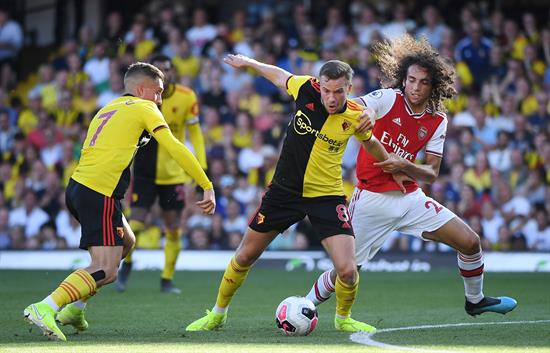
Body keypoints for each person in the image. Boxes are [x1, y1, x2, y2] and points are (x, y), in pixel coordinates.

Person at [185, 54, 404, 333]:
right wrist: (250, 63)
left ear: (349, 90)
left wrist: (391, 167)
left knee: (348, 270)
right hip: (284, 192)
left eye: (338, 91)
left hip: (327, 196)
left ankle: (343, 318)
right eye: (326, 90)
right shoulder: (305, 88)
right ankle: (217, 314)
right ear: (320, 85)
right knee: (243, 257)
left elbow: (371, 144)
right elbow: (278, 75)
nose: (331, 97)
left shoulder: (355, 116)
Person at [305, 35, 517, 317]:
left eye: (423, 82)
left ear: (434, 86)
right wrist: (366, 113)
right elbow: (364, 106)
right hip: (371, 200)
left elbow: (431, 172)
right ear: (403, 79)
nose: (416, 87)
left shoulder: (437, 119)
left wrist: (404, 165)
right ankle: (305, 305)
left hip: (410, 199)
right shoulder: (388, 98)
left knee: (470, 242)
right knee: (346, 270)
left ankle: (475, 300)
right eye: (412, 80)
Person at [23, 62, 216, 341]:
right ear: (141, 90)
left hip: (80, 188)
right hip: (98, 193)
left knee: (126, 242)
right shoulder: (144, 107)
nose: (160, 99)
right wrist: (206, 184)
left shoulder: (109, 107)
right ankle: (46, 307)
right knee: (106, 269)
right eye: (158, 92)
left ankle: (76, 309)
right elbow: (174, 145)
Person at [116, 54, 208, 294]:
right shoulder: (143, 100)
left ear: (173, 71)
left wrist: (202, 166)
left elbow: (195, 133)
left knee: (173, 227)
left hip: (174, 174)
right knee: (135, 222)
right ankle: (126, 264)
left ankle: (167, 278)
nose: (164, 75)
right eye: (159, 71)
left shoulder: (187, 97)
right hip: (145, 170)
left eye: (167, 70)